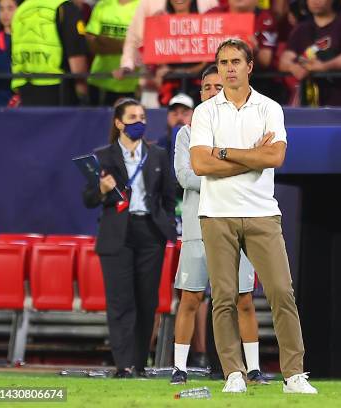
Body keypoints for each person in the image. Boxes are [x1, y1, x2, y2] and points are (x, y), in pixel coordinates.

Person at [189, 38, 317, 394]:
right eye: (223, 62)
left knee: (281, 292)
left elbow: (274, 159)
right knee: (224, 297)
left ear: (249, 66)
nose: (228, 68)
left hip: (262, 214)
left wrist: (225, 153)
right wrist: (250, 159)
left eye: (235, 61)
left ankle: (293, 375)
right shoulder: (205, 112)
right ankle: (234, 373)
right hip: (216, 214)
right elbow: (200, 164)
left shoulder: (270, 108)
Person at [171, 65, 267, 385]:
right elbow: (185, 176)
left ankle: (252, 369)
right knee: (190, 298)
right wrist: (234, 166)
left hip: (237, 225)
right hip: (199, 228)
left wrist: (210, 166)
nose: (212, 92)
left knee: (243, 300)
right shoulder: (186, 133)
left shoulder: (246, 128)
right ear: (200, 93)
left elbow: (257, 171)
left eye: (217, 86)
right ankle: (180, 369)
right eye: (206, 88)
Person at [82, 98, 176, 378]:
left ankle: (140, 363)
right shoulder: (103, 156)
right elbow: (88, 199)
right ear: (119, 123)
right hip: (117, 235)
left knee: (147, 300)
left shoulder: (157, 154)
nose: (140, 122)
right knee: (121, 301)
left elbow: (169, 196)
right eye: (133, 117)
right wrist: (100, 188)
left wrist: (165, 224)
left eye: (143, 117)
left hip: (150, 233)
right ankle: (123, 365)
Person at [279, 0, 341, 106]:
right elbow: (285, 60)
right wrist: (294, 68)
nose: (316, 1)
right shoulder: (301, 29)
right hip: (308, 105)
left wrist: (324, 66)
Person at [10, 0, 88, 105]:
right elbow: (78, 68)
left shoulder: (21, 9)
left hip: (24, 91)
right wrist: (84, 98)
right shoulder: (65, 8)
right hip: (58, 92)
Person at [85, 0, 140, 106]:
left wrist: (104, 41)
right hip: (99, 81)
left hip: (130, 85)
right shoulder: (102, 5)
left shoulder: (142, 7)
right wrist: (126, 45)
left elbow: (143, 47)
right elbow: (91, 44)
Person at [0, 0, 20, 106]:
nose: (5, 13)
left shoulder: (25, 41)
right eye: (1, 9)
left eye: (10, 8)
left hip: (20, 105)